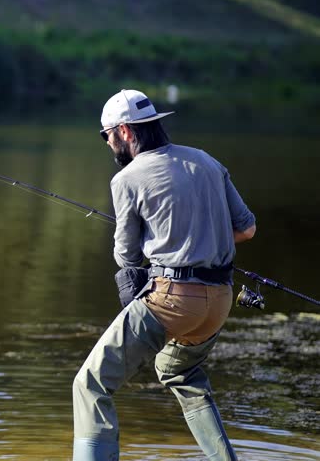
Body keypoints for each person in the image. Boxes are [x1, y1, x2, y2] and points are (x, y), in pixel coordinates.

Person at [72, 89, 257, 460]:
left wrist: (163, 243)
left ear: (124, 132)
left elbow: (126, 255)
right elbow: (247, 228)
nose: (107, 143)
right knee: (180, 372)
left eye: (106, 135)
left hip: (172, 300)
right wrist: (197, 237)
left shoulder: (127, 178)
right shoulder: (206, 161)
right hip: (219, 301)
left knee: (90, 385)